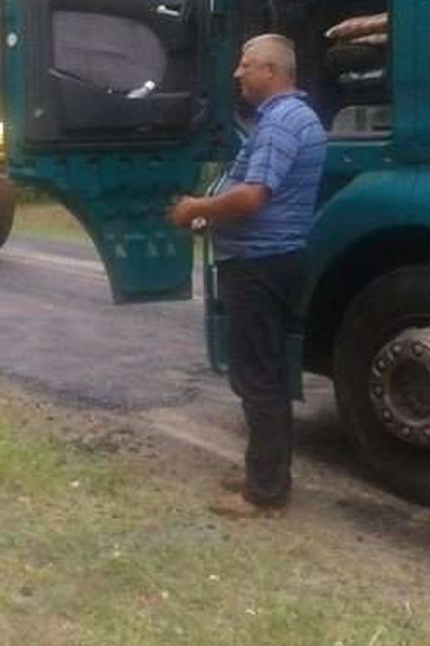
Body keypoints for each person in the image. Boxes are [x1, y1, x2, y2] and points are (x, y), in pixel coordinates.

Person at [168, 34, 327, 517]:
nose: (237, 73)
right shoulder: (291, 118)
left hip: (260, 264)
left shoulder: (280, 123)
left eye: (246, 64)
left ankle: (264, 492)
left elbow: (254, 196)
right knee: (266, 374)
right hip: (272, 259)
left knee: (257, 379)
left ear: (272, 72)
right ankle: (266, 471)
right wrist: (211, 213)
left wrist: (197, 206)